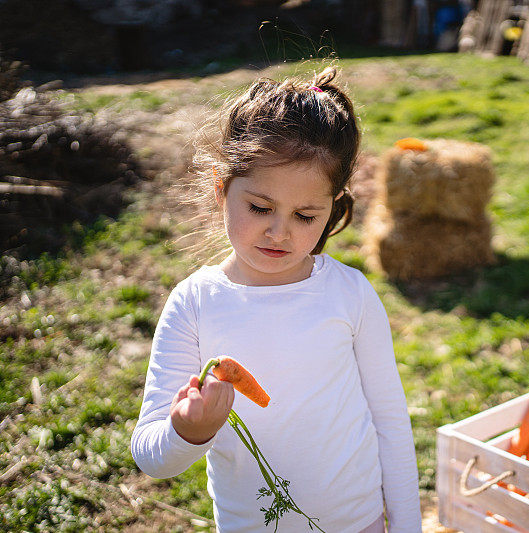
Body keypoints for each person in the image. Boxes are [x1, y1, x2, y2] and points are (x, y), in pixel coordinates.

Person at [130, 66, 423, 533]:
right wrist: (190, 432)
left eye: (306, 215)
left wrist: (407, 526)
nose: (279, 231)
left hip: (359, 522)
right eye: (260, 208)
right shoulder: (195, 304)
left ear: (333, 209)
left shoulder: (350, 294)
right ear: (221, 189)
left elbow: (390, 424)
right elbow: (150, 455)